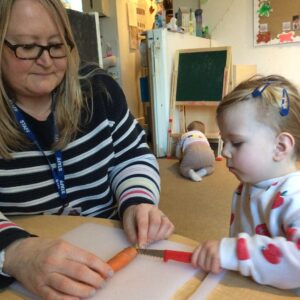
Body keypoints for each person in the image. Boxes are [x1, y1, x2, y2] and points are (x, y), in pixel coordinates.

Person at [0, 0, 174, 299]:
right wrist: (14, 252)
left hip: (110, 241)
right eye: (28, 47)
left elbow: (131, 155)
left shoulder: (100, 89)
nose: (46, 60)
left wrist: (138, 200)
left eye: (56, 45)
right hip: (25, 265)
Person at [191, 75, 300, 290]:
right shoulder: (250, 185)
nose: (224, 151)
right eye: (224, 141)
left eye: (237, 142)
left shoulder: (295, 196)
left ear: (280, 147)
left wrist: (233, 252)